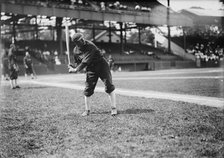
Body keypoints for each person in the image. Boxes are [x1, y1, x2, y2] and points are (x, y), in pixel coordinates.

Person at [68, 33, 117, 116]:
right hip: (91, 69)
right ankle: (87, 110)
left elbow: (85, 62)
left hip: (101, 65)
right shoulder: (75, 51)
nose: (83, 40)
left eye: (83, 38)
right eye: (80, 40)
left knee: (109, 86)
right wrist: (72, 67)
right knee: (88, 89)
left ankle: (114, 108)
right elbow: (78, 63)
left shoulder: (90, 46)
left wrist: (76, 69)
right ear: (76, 43)